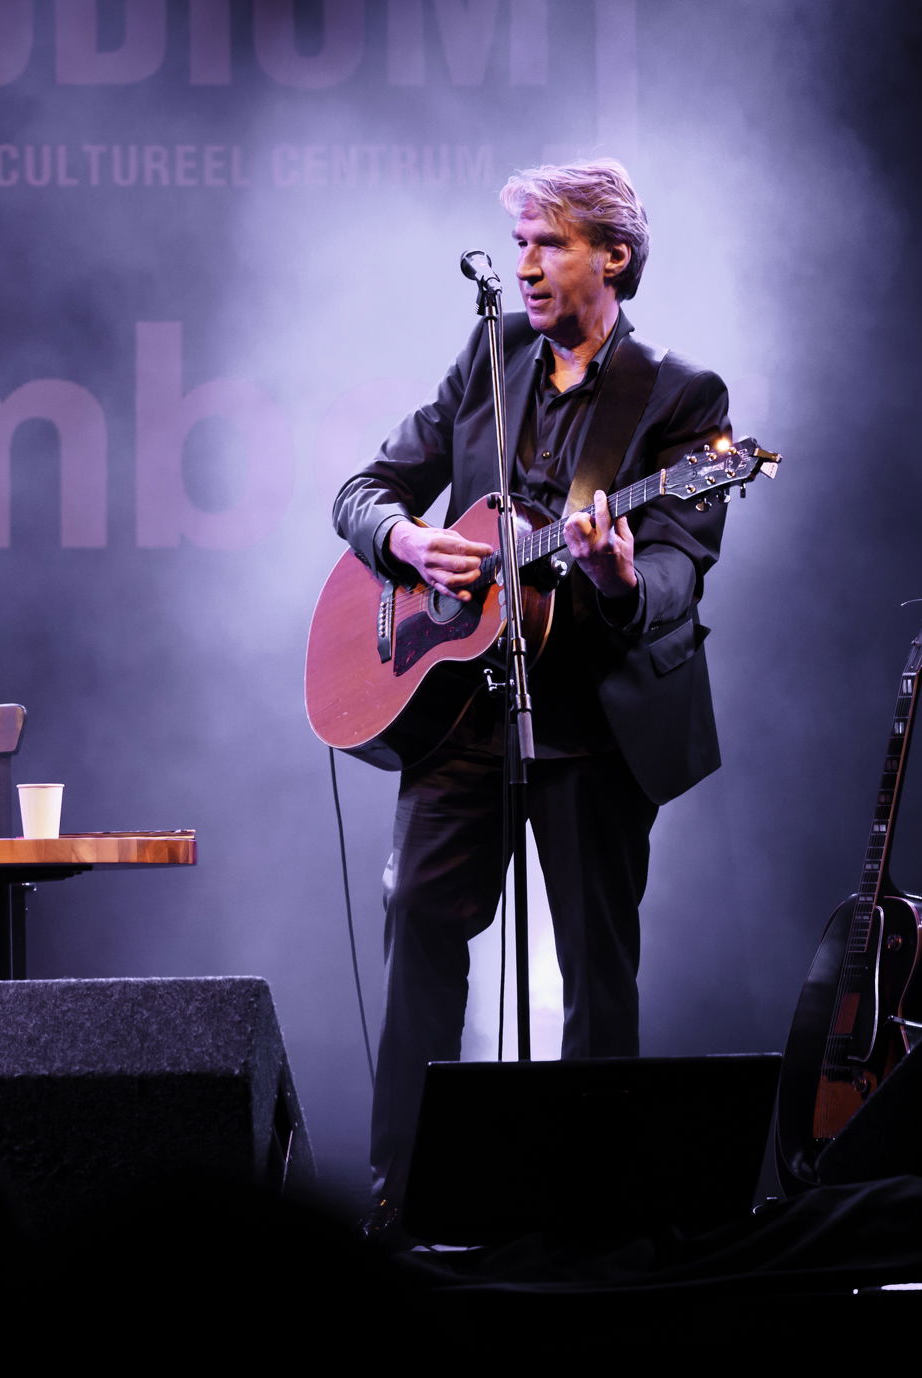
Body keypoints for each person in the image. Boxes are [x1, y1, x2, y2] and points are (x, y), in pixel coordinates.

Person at [330, 159, 730, 1234]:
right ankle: (401, 1189)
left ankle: (594, 1201)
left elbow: (677, 574)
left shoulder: (682, 399)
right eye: (518, 247)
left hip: (593, 722)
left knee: (597, 966)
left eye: (548, 245)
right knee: (417, 916)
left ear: (614, 256)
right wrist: (407, 537)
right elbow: (364, 491)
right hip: (460, 708)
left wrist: (616, 575)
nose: (525, 267)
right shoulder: (490, 355)